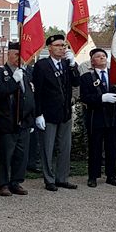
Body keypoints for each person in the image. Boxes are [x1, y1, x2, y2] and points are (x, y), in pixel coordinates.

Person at [32, 33, 80, 191]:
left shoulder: (67, 64)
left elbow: (76, 82)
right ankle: (49, 179)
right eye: (58, 46)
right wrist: (38, 114)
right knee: (48, 148)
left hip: (65, 113)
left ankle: (62, 178)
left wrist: (73, 65)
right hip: (48, 113)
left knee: (65, 148)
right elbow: (37, 92)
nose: (62, 48)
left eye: (63, 46)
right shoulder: (42, 65)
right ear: (50, 48)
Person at [0, 41, 35, 196]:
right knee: (6, 156)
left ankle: (16, 182)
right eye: (16, 54)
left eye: (21, 55)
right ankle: (3, 184)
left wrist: (32, 118)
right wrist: (14, 81)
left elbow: (30, 97)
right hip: (7, 122)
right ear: (8, 54)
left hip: (24, 121)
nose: (19, 58)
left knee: (21, 155)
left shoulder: (26, 73)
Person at [79, 47, 116, 187]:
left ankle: (111, 175)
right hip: (96, 117)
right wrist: (101, 98)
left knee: (112, 148)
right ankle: (93, 176)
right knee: (95, 148)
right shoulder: (86, 77)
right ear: (92, 62)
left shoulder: (115, 75)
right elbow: (84, 97)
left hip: (112, 117)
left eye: (104, 56)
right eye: (98, 56)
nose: (102, 58)